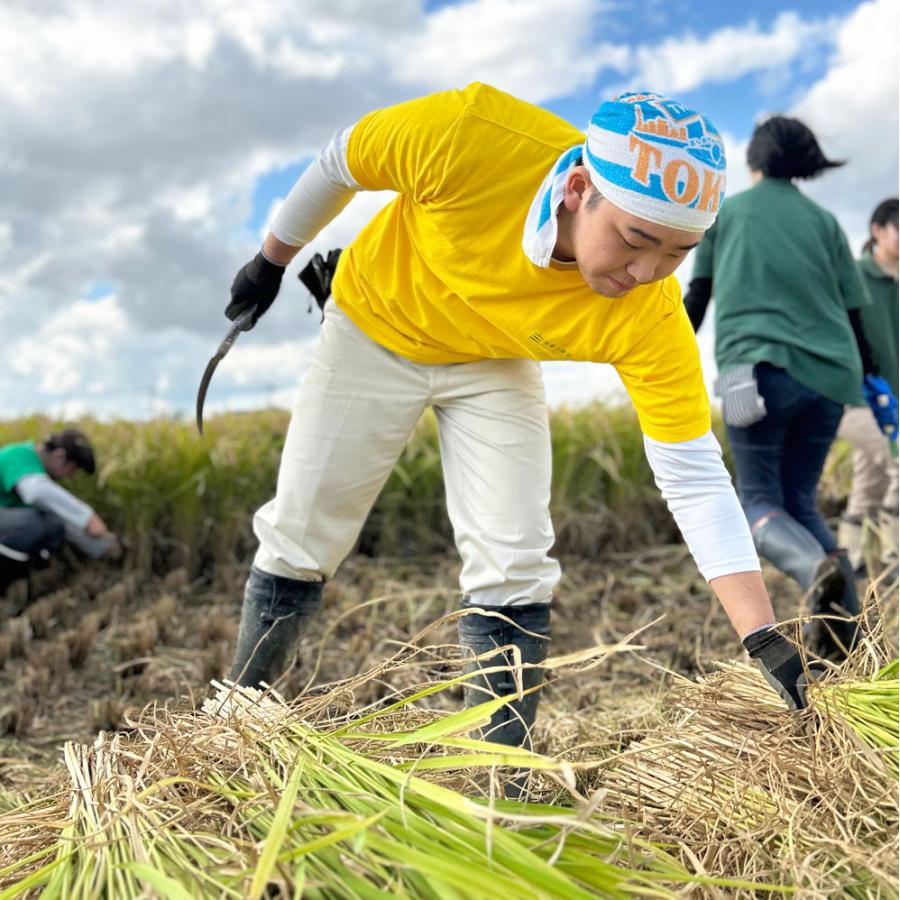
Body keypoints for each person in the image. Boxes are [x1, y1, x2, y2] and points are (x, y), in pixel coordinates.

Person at [222, 85, 821, 770]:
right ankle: (234, 722)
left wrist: (762, 636)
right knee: (302, 532)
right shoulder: (470, 134)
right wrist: (271, 260)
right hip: (376, 325)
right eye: (635, 239)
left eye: (679, 253)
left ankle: (508, 777)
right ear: (576, 188)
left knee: (516, 560)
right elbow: (340, 163)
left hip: (494, 358)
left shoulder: (650, 316)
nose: (646, 272)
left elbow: (692, 474)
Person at [684, 116, 896, 661]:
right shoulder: (825, 222)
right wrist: (870, 380)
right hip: (829, 379)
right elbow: (856, 315)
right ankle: (849, 637)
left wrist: (664, 357)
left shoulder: (727, 213)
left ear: (754, 160)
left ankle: (811, 571)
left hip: (745, 371)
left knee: (755, 500)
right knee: (799, 500)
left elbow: (698, 297)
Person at [836, 199, 899, 570]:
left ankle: (849, 572)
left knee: (867, 490)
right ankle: (894, 563)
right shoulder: (854, 276)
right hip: (854, 400)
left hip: (891, 405)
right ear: (877, 231)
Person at [0, 428, 121, 595]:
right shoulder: (19, 455)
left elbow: (63, 521)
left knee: (53, 524)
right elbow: (36, 492)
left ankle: (26, 584)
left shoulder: (37, 471)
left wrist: (104, 547)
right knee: (29, 523)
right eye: (72, 469)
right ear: (59, 456)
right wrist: (88, 517)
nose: (69, 476)